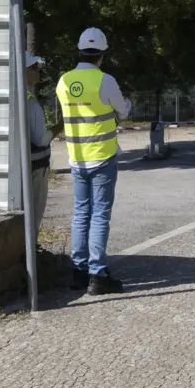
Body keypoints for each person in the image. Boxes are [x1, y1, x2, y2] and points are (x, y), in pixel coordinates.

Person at [55, 27, 132, 295]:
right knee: (99, 215)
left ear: (79, 50)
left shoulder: (63, 81)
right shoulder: (105, 80)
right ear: (102, 54)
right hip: (102, 156)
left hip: (76, 157)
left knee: (80, 212)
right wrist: (127, 105)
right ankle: (98, 275)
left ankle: (78, 272)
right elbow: (122, 109)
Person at [24, 52, 61, 239]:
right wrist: (61, 125)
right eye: (33, 67)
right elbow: (42, 139)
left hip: (28, 167)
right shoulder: (31, 104)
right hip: (37, 168)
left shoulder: (20, 98)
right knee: (35, 215)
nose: (38, 70)